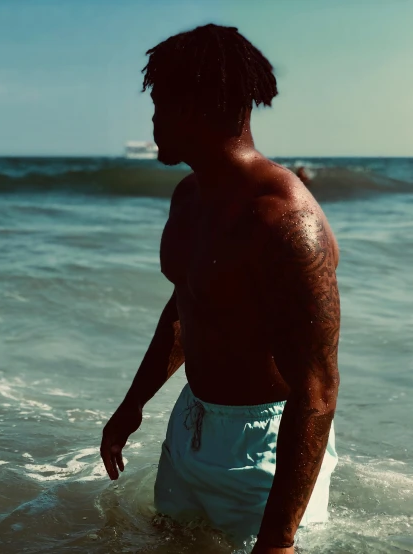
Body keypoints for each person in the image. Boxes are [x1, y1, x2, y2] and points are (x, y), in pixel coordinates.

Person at [100, 24, 340, 553]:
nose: (155, 119)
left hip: (265, 448)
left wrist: (278, 538)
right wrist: (133, 404)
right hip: (191, 425)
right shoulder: (189, 198)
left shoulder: (283, 220)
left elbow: (317, 391)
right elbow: (188, 304)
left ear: (203, 104)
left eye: (163, 102)